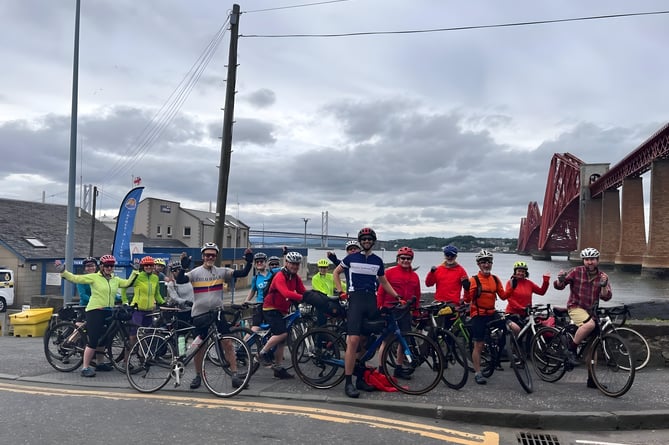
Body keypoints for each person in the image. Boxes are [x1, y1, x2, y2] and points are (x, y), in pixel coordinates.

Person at [333, 227, 402, 399]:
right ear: (360, 241)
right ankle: (348, 382)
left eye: (369, 239)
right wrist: (341, 291)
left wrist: (397, 296)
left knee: (366, 342)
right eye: (363, 239)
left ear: (373, 241)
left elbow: (384, 282)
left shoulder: (377, 261)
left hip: (371, 300)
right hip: (355, 300)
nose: (366, 241)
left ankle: (360, 379)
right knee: (354, 340)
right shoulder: (351, 258)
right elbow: (336, 272)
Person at [175, 242, 254, 390]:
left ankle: (235, 375)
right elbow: (180, 280)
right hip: (200, 315)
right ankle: (198, 376)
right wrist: (183, 267)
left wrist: (249, 262)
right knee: (200, 347)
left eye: (212, 255)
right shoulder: (195, 272)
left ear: (216, 256)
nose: (209, 257)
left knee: (228, 344)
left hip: (218, 314)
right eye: (207, 255)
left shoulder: (222, 271)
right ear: (203, 256)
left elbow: (242, 273)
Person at [56, 254, 139, 377]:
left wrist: (135, 270)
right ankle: (85, 367)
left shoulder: (115, 279)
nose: (109, 268)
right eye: (107, 266)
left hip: (108, 310)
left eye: (111, 266)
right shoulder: (94, 277)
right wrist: (63, 271)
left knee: (104, 339)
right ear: (102, 266)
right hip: (95, 310)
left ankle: (100, 363)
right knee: (94, 340)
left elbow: (127, 283)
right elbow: (76, 279)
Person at [553, 247, 611, 388]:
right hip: (575, 307)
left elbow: (606, 297)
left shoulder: (602, 276)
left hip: (591, 312)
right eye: (587, 259)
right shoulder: (576, 271)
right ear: (583, 261)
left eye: (592, 259)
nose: (589, 262)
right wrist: (560, 279)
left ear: (597, 260)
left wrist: (603, 286)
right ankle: (571, 350)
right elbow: (560, 286)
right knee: (590, 325)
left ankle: (592, 380)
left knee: (593, 348)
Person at [259, 251, 307, 379]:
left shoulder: (295, 277)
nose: (295, 266)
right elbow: (286, 293)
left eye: (297, 264)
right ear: (286, 263)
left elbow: (303, 291)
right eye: (292, 263)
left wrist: (313, 297)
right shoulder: (280, 276)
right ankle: (262, 353)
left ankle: (278, 369)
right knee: (282, 333)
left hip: (282, 310)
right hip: (270, 308)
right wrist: (303, 297)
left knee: (282, 341)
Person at [464, 249, 508, 385]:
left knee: (510, 327)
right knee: (479, 344)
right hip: (479, 315)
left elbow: (503, 296)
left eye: (488, 262)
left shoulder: (495, 279)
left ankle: (498, 353)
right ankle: (478, 373)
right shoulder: (474, 280)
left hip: (492, 312)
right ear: (478, 264)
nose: (486, 265)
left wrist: (512, 287)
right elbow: (466, 300)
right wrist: (466, 289)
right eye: (483, 262)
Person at [376, 246, 421, 379]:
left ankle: (399, 368)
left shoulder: (415, 276)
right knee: (386, 340)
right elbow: (381, 291)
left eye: (408, 258)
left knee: (404, 341)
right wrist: (380, 307)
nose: (405, 260)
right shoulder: (389, 272)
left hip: (405, 311)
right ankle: (381, 369)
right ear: (398, 259)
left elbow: (417, 295)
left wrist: (416, 311)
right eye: (403, 258)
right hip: (389, 310)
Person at [504, 261, 550, 335]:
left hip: (526, 314)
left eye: (523, 271)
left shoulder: (529, 283)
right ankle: (514, 346)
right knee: (517, 330)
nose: (521, 273)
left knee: (532, 330)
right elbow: (510, 299)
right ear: (515, 272)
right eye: (519, 271)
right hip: (512, 313)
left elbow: (541, 292)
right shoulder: (510, 282)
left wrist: (546, 280)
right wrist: (521, 307)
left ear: (526, 273)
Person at [128, 256, 165, 345]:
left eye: (150, 265)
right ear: (143, 266)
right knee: (134, 334)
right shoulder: (138, 276)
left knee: (147, 335)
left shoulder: (155, 278)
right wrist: (125, 300)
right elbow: (125, 286)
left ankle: (142, 356)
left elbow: (156, 294)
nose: (148, 267)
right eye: (146, 265)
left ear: (153, 266)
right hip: (138, 309)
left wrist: (164, 303)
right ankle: (127, 356)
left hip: (149, 310)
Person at [244, 252, 279, 333]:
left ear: (266, 263)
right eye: (257, 262)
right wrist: (246, 301)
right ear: (255, 264)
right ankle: (243, 344)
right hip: (260, 306)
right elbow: (252, 291)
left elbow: (285, 268)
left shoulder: (273, 273)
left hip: (272, 305)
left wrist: (285, 253)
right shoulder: (255, 278)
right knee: (254, 329)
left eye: (261, 261)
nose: (259, 263)